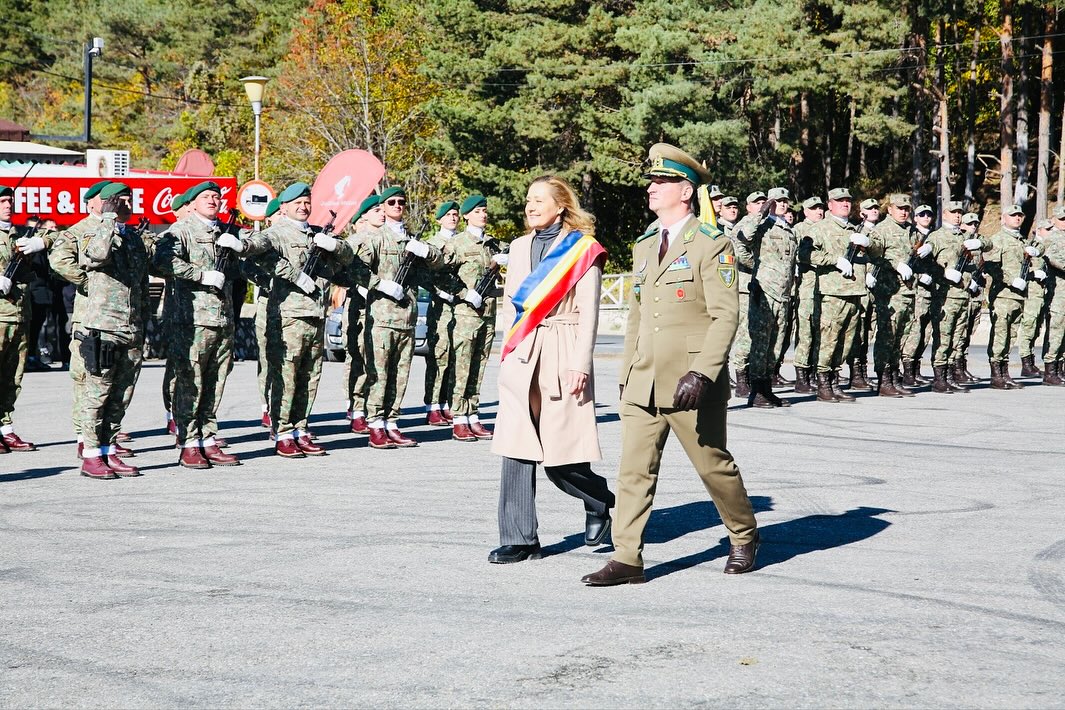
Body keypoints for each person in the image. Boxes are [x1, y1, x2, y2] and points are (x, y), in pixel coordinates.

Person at [582, 144, 758, 586]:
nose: (651, 188)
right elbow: (640, 316)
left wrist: (703, 372)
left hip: (690, 382)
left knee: (712, 464)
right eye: (652, 181)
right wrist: (626, 372)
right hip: (644, 380)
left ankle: (743, 534)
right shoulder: (644, 245)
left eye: (661, 182)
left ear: (686, 190)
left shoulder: (711, 244)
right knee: (633, 471)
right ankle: (627, 558)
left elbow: (726, 315)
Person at [489, 175, 613, 564]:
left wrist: (581, 364)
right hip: (523, 351)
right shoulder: (519, 245)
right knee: (515, 445)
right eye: (528, 199)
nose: (530, 206)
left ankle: (599, 501)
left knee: (562, 456)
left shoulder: (583, 249)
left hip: (563, 348)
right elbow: (512, 306)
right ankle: (520, 538)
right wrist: (506, 353)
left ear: (561, 206)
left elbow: (590, 310)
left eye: (539, 200)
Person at [153, 181, 268, 468]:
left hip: (223, 318)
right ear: (191, 204)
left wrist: (243, 244)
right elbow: (162, 261)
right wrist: (200, 275)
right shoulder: (179, 231)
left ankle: (207, 438)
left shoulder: (227, 231)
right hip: (191, 320)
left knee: (215, 382)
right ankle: (189, 442)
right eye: (206, 197)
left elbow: (262, 243)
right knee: (190, 382)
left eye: (216, 197)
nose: (213, 201)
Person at [263, 182, 354, 457]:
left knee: (310, 375)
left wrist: (334, 245)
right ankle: (282, 432)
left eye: (306, 202)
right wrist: (293, 274)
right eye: (297, 203)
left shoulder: (317, 234)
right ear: (284, 207)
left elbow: (347, 257)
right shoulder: (276, 233)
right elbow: (257, 253)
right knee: (286, 375)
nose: (303, 207)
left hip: (316, 314)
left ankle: (300, 428)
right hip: (289, 316)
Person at [353, 184, 445, 448]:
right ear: (382, 207)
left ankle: (392, 422)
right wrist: (379, 284)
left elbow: (438, 262)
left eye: (401, 202)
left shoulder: (411, 240)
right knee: (379, 374)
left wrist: (426, 252)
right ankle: (375, 424)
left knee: (400, 374)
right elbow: (356, 269)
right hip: (381, 318)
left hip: (407, 318)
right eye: (391, 203)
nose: (397, 206)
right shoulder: (375, 237)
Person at [75, 183, 153, 478]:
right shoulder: (92, 232)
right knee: (97, 393)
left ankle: (108, 451)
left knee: (121, 395)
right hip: (104, 326)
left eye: (128, 200)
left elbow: (141, 281)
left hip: (131, 326)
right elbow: (95, 256)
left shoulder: (133, 238)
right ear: (106, 203)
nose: (125, 204)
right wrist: (108, 219)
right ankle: (92, 455)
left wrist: (145, 319)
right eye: (119, 200)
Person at [49, 180, 114, 458]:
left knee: (112, 378)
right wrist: (88, 282)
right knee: (85, 376)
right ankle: (82, 435)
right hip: (88, 315)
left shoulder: (121, 229)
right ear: (90, 203)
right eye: (104, 198)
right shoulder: (78, 231)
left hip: (117, 318)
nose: (112, 202)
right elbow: (59, 260)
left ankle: (106, 435)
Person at [801, 187, 874, 402]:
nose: (845, 204)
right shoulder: (819, 228)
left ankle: (834, 381)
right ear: (829, 204)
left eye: (848, 201)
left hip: (855, 291)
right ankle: (823, 384)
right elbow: (805, 254)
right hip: (832, 293)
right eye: (839, 201)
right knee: (829, 339)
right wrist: (834, 260)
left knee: (846, 341)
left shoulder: (855, 229)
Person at [444, 194, 501, 442]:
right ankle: (458, 418)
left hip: (488, 314)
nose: (483, 214)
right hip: (466, 314)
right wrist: (465, 293)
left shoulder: (493, 245)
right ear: (466, 215)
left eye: (485, 210)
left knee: (479, 367)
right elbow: (441, 275)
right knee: (462, 367)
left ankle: (473, 415)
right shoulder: (456, 243)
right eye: (478, 211)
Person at [0, 183, 48, 453]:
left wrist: (32, 252)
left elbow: (33, 274)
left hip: (19, 314)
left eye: (10, 200)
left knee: (13, 376)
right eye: (4, 200)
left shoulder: (18, 234)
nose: (9, 204)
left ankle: (5, 428)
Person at [927, 201, 988, 393]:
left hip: (964, 296)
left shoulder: (965, 236)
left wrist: (979, 242)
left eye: (960, 213)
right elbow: (926, 263)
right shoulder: (936, 236)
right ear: (944, 214)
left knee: (957, 338)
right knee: (944, 339)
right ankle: (939, 378)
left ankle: (951, 375)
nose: (957, 216)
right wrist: (943, 273)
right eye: (953, 212)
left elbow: (988, 243)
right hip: (945, 296)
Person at [745, 188, 796, 408]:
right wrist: (758, 270)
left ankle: (767, 388)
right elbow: (742, 240)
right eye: (778, 201)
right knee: (760, 344)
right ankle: (756, 391)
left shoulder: (788, 230)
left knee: (775, 345)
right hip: (765, 292)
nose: (783, 204)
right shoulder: (760, 225)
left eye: (785, 201)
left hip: (783, 294)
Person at [868, 194, 917, 397]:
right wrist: (896, 263)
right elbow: (874, 252)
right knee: (887, 336)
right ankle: (884, 379)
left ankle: (894, 377)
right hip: (889, 291)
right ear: (890, 209)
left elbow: (915, 254)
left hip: (908, 291)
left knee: (900, 337)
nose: (904, 211)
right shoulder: (881, 230)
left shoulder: (911, 231)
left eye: (906, 208)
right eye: (899, 208)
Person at [984, 205, 1037, 389]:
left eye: (1020, 215)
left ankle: (1004, 372)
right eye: (1013, 215)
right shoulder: (997, 240)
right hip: (1003, 295)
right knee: (1000, 334)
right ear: (1003, 218)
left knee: (1011, 335)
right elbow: (990, 266)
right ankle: (996, 374)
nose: (1017, 218)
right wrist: (1010, 280)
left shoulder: (1022, 241)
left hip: (1019, 296)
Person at [241, 196, 280, 431]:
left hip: (293, 306)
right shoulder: (264, 241)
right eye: (279, 215)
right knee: (268, 360)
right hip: (269, 305)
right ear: (270, 219)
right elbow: (246, 266)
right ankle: (267, 406)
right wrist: (267, 281)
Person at [344, 195, 381, 434]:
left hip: (383, 307)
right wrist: (357, 284)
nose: (383, 213)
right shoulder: (355, 241)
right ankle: (357, 409)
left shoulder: (390, 239)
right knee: (359, 357)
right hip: (360, 306)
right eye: (376, 209)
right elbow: (342, 270)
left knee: (377, 361)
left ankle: (373, 408)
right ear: (364, 216)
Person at [424, 200, 461, 426]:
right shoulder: (433, 244)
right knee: (439, 356)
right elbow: (426, 277)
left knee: (456, 357)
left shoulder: (463, 241)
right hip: (440, 308)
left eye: (456, 214)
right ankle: (433, 405)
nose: (453, 218)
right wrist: (440, 292)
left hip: (461, 306)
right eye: (448, 215)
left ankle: (446, 403)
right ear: (439, 220)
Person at [728, 191, 765, 397]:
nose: (761, 205)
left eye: (763, 202)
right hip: (745, 285)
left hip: (762, 285)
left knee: (758, 334)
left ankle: (753, 375)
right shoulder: (744, 225)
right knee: (745, 334)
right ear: (748, 207)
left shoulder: (765, 225)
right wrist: (759, 267)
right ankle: (741, 377)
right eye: (756, 203)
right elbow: (740, 253)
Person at [899, 204, 937, 387]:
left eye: (929, 214)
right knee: (915, 330)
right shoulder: (912, 235)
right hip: (916, 288)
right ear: (915, 217)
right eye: (922, 214)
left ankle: (916, 369)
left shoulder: (934, 236)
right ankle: (907, 370)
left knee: (926, 331)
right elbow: (905, 261)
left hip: (933, 288)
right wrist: (920, 276)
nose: (926, 217)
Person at [792, 196, 825, 393]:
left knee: (820, 331)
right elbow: (797, 254)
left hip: (824, 287)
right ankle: (801, 376)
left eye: (820, 208)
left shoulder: (825, 228)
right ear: (805, 211)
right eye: (814, 209)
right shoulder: (799, 230)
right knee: (805, 333)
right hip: (807, 287)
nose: (818, 212)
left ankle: (813, 372)